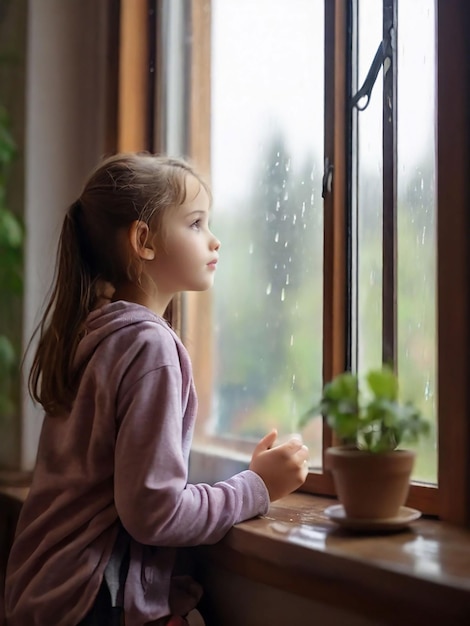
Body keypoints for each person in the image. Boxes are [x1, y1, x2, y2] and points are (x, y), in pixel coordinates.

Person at [4, 153, 309, 626]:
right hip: (88, 601)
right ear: (143, 241)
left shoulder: (96, 333)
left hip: (42, 591)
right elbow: (155, 511)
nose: (214, 239)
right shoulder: (149, 346)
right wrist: (258, 487)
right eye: (195, 223)